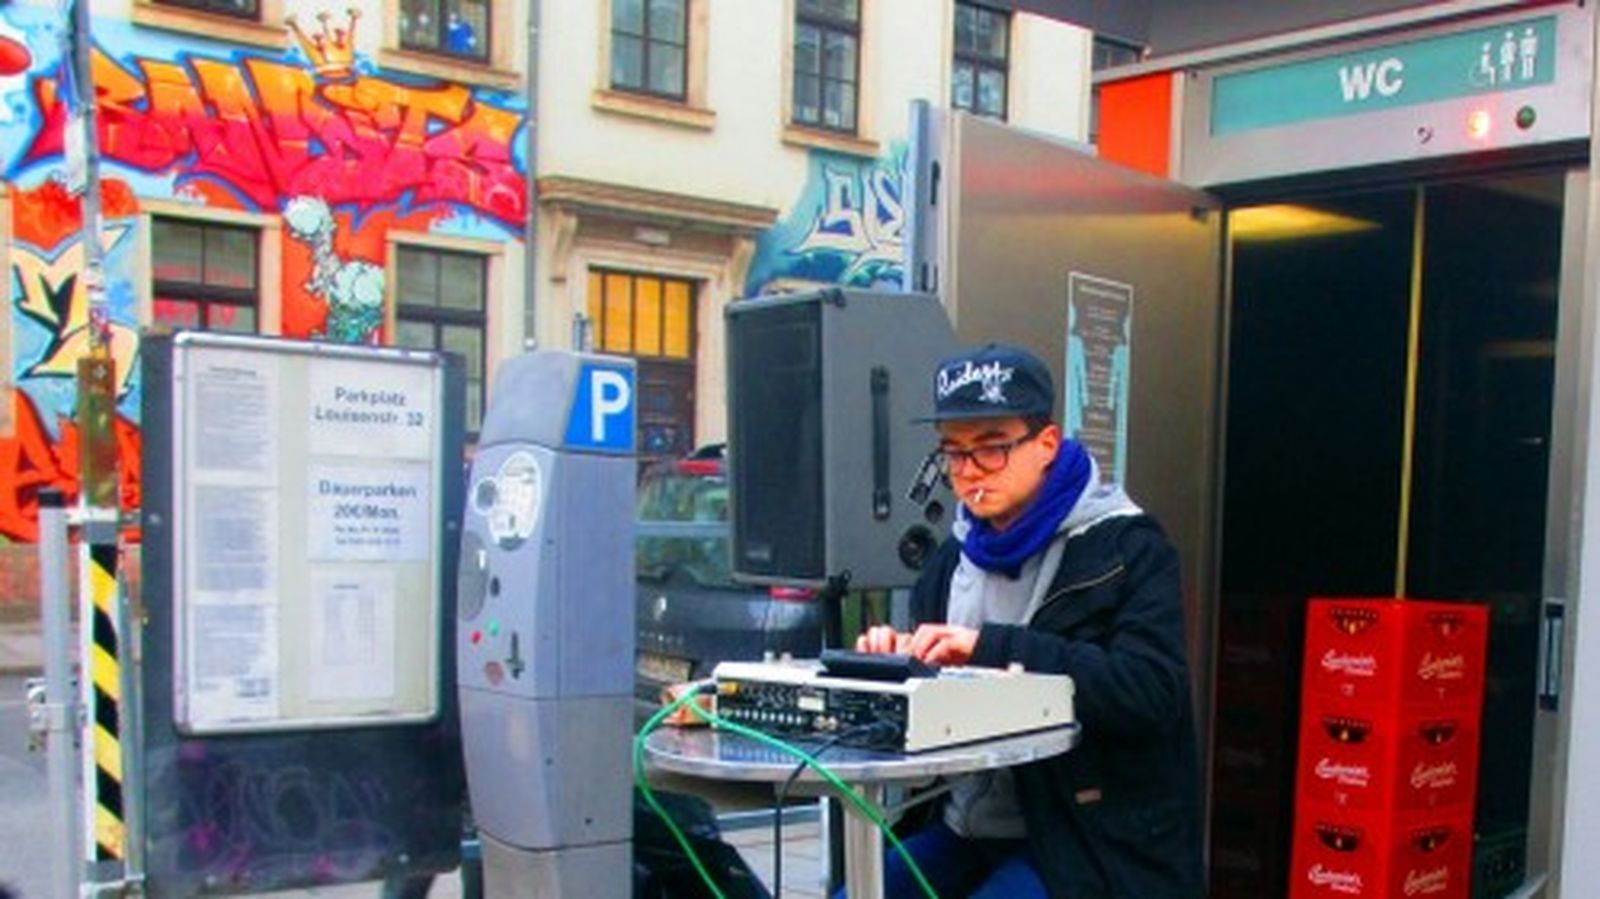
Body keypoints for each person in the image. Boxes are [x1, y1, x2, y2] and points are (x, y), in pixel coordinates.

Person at [851, 343, 1204, 898]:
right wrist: (897, 659)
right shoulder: (952, 558)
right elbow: (941, 695)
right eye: (953, 452)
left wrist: (987, 647)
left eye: (991, 449)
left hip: (1085, 836)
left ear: (1046, 444)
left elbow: (1151, 691)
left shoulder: (1129, 548)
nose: (968, 473)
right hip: (963, 824)